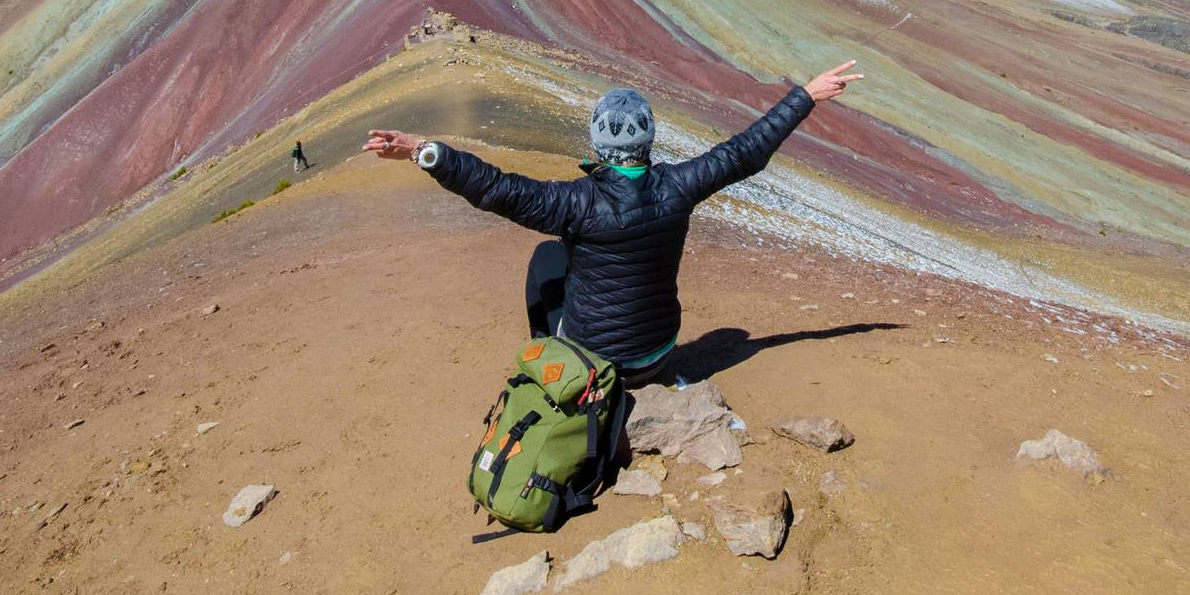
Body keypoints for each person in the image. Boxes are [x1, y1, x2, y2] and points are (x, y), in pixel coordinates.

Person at [362, 61, 863, 385]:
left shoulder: (577, 203)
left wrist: (421, 151)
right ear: (648, 139)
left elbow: (495, 188)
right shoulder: (681, 185)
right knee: (559, 256)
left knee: (546, 258)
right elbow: (747, 150)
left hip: (601, 369)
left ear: (598, 144)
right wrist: (807, 95)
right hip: (661, 355)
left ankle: (554, 360)